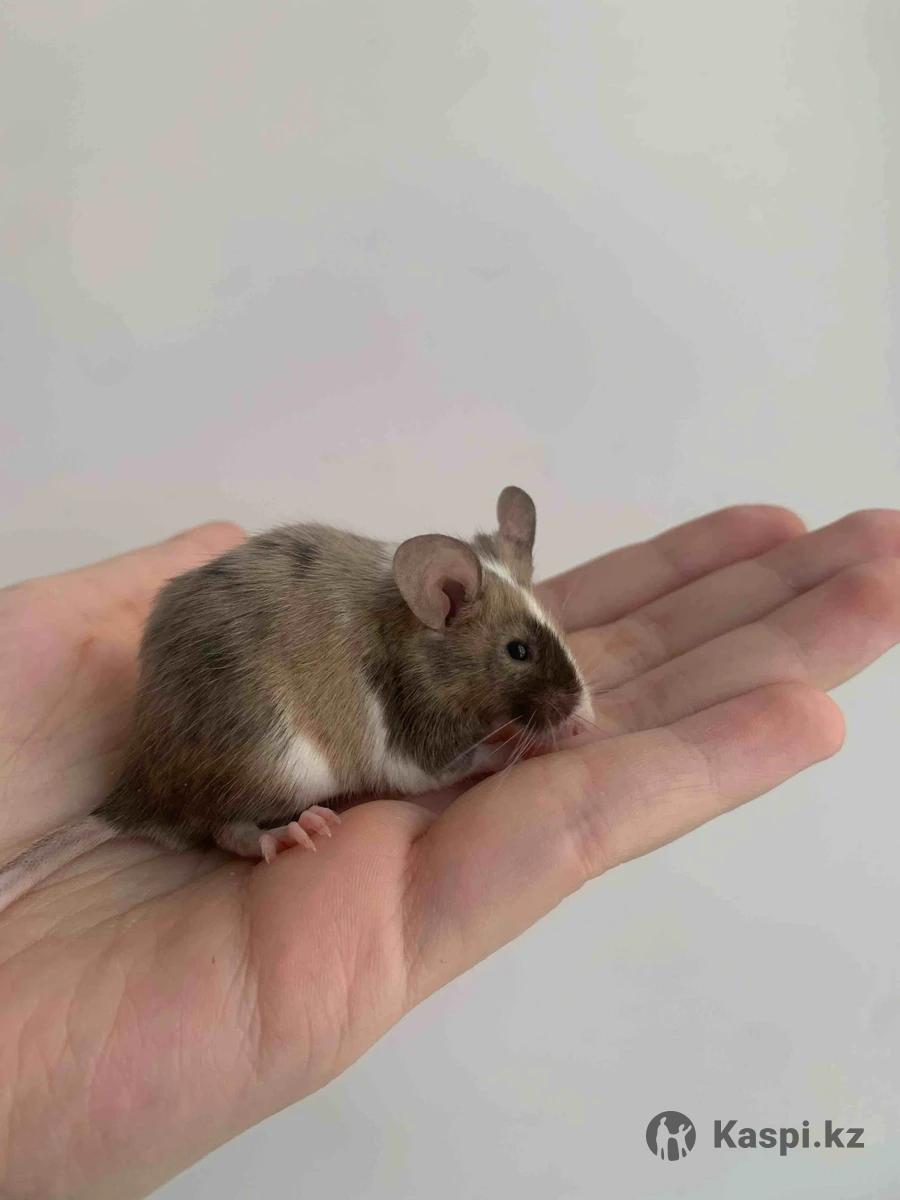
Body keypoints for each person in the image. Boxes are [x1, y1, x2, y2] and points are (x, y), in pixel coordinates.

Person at [0, 505, 897, 1199]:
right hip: (239, 725)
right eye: (518, 653)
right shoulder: (404, 659)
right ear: (443, 604)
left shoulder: (423, 620)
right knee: (298, 755)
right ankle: (236, 823)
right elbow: (399, 759)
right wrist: (471, 756)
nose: (544, 680)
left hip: (230, 683)